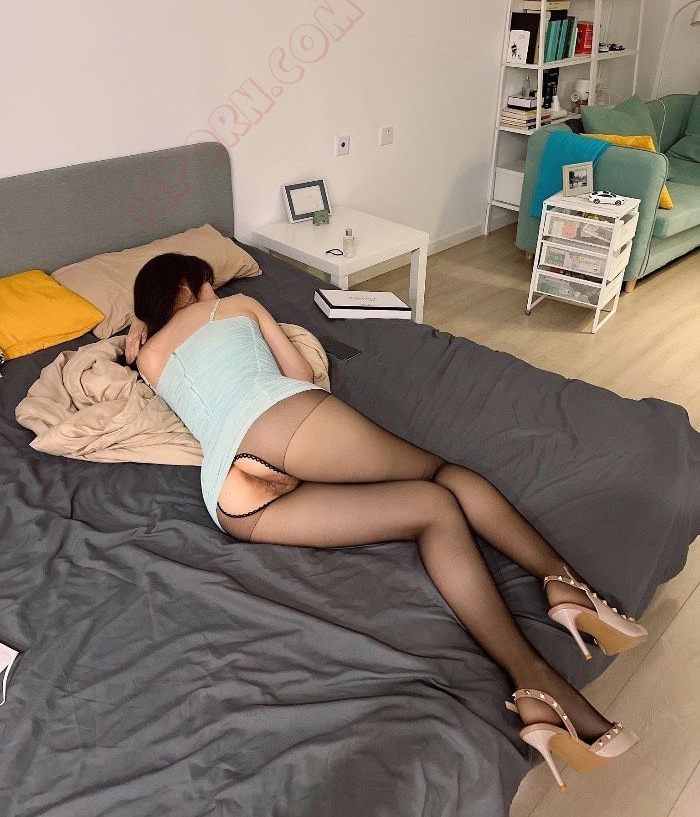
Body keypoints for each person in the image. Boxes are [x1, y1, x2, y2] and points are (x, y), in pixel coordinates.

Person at [126, 252, 647, 790]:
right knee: (443, 475)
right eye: (207, 283)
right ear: (188, 286)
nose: (213, 291)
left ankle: (536, 691)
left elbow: (170, 367)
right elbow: (301, 374)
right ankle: (565, 584)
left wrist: (142, 327)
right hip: (278, 421)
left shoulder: (147, 358)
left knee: (432, 509)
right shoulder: (236, 306)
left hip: (230, 496)